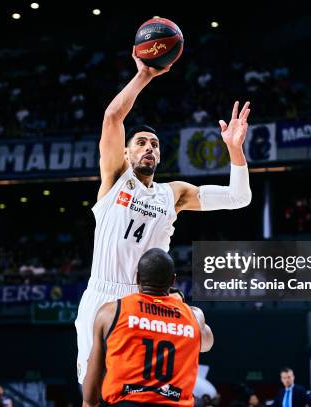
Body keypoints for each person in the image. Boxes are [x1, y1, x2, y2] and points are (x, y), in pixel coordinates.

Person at [75, 46, 252, 384]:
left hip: (146, 301)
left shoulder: (173, 194)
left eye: (154, 145)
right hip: (101, 293)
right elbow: (112, 118)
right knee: (91, 387)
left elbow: (239, 198)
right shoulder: (115, 178)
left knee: (140, 388)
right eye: (141, 142)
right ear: (126, 151)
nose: (149, 148)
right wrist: (145, 74)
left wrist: (234, 150)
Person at [82, 248, 214, 406]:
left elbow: (92, 384)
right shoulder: (193, 316)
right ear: (173, 280)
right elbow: (207, 344)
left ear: (137, 277)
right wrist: (179, 305)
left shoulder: (110, 312)